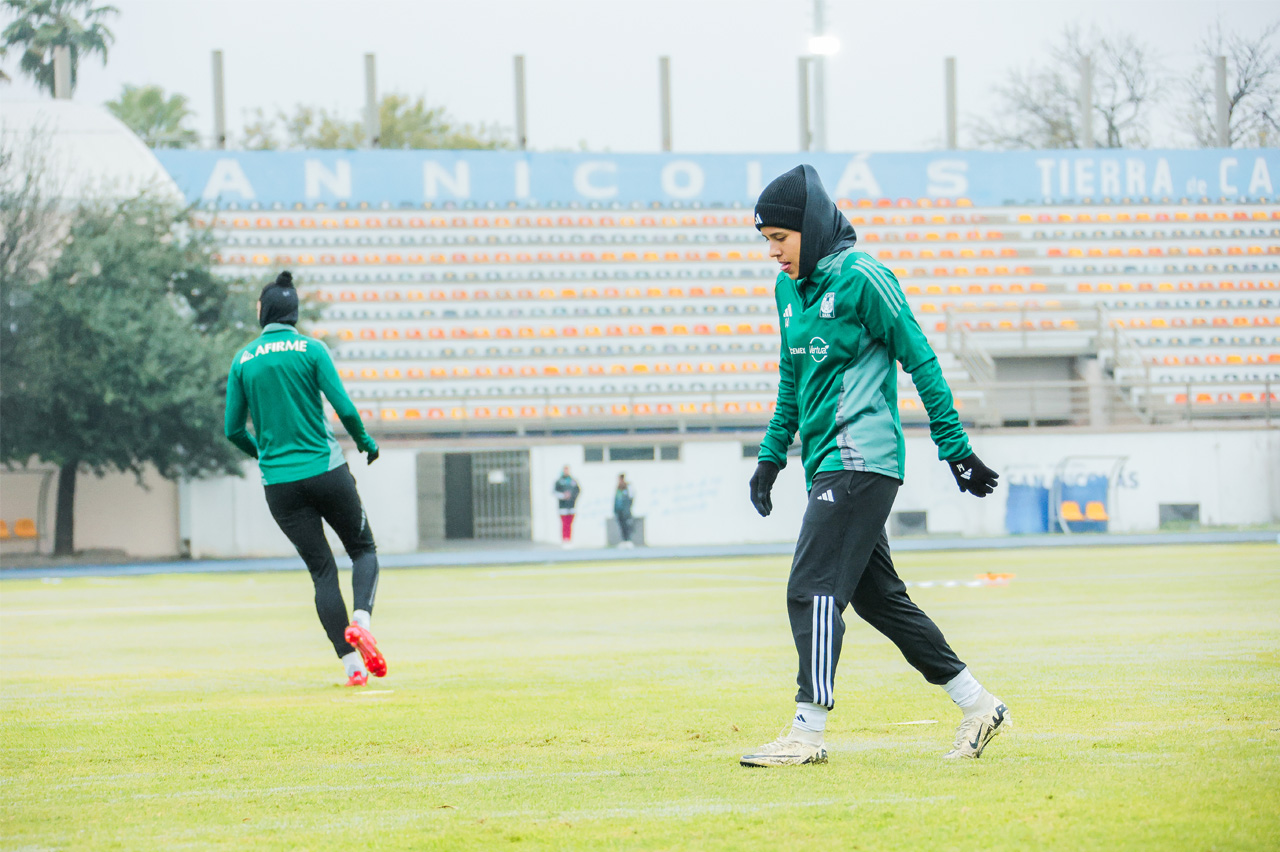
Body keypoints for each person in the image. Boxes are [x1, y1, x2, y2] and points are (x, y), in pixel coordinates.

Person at [739, 166, 1006, 768]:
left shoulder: (865, 278)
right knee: (878, 598)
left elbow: (920, 357)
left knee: (810, 587)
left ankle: (806, 734)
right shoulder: (788, 293)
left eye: (781, 237)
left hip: (861, 459)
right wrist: (770, 457)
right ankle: (979, 705)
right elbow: (792, 379)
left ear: (808, 226)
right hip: (825, 465)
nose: (773, 251)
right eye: (766, 241)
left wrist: (954, 446)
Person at [224, 271, 387, 687]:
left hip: (279, 485)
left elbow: (233, 430)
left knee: (321, 571)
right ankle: (362, 621)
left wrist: (266, 456)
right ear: (293, 312)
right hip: (326, 470)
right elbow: (344, 408)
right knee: (363, 550)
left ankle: (351, 666)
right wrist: (366, 442)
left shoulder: (242, 360)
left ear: (265, 311)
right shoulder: (312, 350)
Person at [553, 465, 581, 547]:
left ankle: (569, 539)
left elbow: (578, 491)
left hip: (571, 506)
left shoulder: (573, 481)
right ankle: (564, 539)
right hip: (563, 507)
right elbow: (554, 492)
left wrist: (571, 496)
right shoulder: (559, 481)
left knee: (569, 523)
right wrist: (563, 496)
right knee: (564, 523)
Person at [613, 474, 635, 548]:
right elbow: (616, 500)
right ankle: (623, 540)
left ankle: (628, 540)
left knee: (627, 525)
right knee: (621, 525)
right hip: (619, 510)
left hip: (625, 510)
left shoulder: (628, 487)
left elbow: (631, 498)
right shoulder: (618, 488)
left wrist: (628, 508)